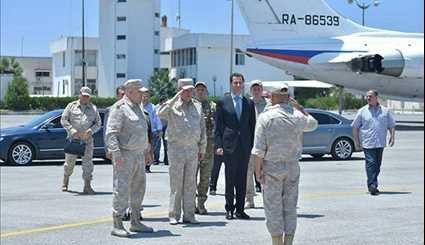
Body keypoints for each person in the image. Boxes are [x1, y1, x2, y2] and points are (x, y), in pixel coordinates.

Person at [252, 86, 318, 245]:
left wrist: (257, 171)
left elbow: (258, 150)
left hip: (272, 167)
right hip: (292, 167)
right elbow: (314, 124)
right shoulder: (297, 116)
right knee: (290, 207)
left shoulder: (265, 117)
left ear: (274, 97)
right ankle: (289, 241)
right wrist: (300, 108)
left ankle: (276, 242)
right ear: (288, 97)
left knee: (273, 207)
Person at [105, 79, 154, 237]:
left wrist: (146, 152)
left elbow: (142, 131)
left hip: (138, 154)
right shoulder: (119, 108)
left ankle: (135, 221)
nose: (143, 95)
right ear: (130, 91)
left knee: (139, 188)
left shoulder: (137, 107)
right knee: (122, 190)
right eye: (140, 92)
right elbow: (111, 133)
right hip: (124, 156)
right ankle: (117, 223)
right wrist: (116, 154)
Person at [158, 78, 207, 225]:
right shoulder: (172, 105)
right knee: (176, 184)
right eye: (185, 90)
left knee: (190, 184)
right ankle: (174, 214)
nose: (189, 93)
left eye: (190, 90)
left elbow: (202, 128)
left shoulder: (197, 106)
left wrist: (202, 148)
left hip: (192, 149)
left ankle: (189, 215)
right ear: (179, 90)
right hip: (176, 149)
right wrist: (174, 99)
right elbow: (160, 113)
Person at [215, 73, 256, 220]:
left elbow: (252, 127)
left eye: (240, 83)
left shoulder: (249, 103)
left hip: (244, 147)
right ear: (231, 84)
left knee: (242, 179)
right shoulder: (222, 102)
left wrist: (252, 146)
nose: (238, 85)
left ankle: (240, 209)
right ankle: (229, 209)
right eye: (235, 83)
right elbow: (218, 127)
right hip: (229, 146)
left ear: (243, 84)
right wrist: (218, 145)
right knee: (230, 179)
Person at [352, 90, 396, 195]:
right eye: (367, 96)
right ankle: (372, 185)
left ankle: (373, 183)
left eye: (370, 96)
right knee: (371, 163)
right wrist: (356, 141)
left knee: (377, 165)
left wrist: (392, 137)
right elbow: (355, 127)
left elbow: (391, 125)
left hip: (380, 142)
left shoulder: (385, 111)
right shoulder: (362, 111)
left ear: (376, 97)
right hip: (368, 142)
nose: (368, 98)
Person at [61, 86, 101, 194]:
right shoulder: (71, 106)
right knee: (69, 163)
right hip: (73, 139)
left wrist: (91, 131)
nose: (85, 98)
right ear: (80, 94)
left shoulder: (94, 108)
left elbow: (98, 123)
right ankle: (65, 181)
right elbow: (63, 120)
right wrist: (72, 130)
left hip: (87, 140)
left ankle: (87, 186)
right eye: (83, 96)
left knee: (88, 164)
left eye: (87, 96)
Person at [194, 81, 216, 215]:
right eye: (198, 90)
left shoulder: (213, 107)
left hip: (208, 146)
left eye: (203, 89)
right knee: (191, 177)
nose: (200, 92)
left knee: (205, 176)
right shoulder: (190, 106)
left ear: (206, 92)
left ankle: (201, 203)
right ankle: (190, 203)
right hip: (193, 146)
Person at [245, 80, 268, 209]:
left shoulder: (269, 105)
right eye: (254, 88)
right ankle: (249, 199)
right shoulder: (246, 103)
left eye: (258, 88)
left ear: (262, 89)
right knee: (248, 173)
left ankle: (267, 199)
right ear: (251, 90)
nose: (256, 90)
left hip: (265, 145)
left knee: (266, 172)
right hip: (250, 144)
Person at [141, 87, 162, 173]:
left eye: (147, 96)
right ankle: (141, 166)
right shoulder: (137, 106)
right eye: (143, 96)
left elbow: (157, 119)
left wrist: (159, 130)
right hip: (141, 132)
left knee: (150, 149)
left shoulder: (152, 107)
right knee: (142, 149)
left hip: (152, 132)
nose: (145, 98)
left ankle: (147, 166)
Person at [157, 96, 169, 165]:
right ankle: (155, 159)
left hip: (166, 127)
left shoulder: (168, 107)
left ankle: (166, 160)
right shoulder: (157, 107)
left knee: (166, 145)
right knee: (157, 145)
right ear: (161, 101)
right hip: (158, 128)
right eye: (165, 101)